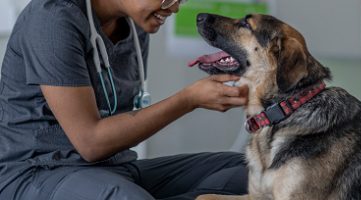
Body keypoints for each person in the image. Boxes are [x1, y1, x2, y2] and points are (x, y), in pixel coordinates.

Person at [0, 0, 249, 199]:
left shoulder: (134, 27)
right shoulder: (52, 19)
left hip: (115, 170)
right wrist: (188, 100)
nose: (174, 7)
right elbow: (91, 143)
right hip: (38, 174)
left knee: (250, 171)